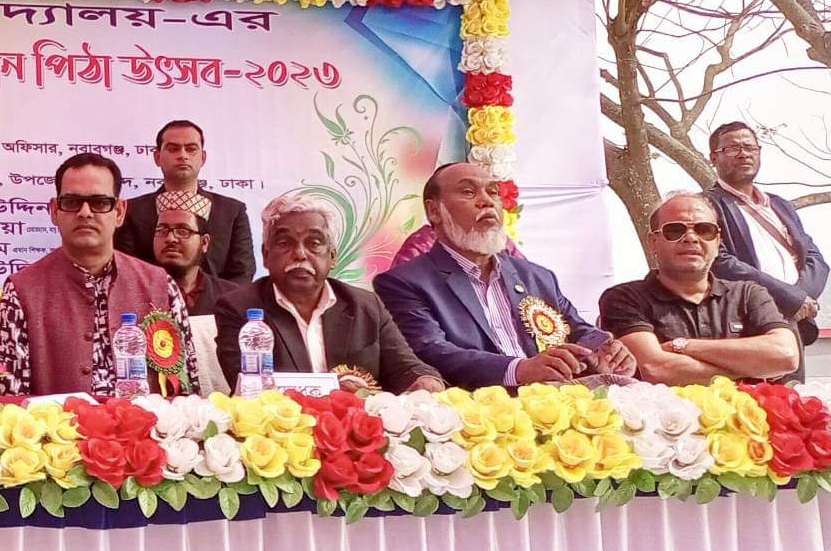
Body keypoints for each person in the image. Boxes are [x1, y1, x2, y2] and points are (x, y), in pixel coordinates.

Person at [375, 161, 634, 388]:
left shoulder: (537, 276)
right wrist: (519, 370)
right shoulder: (403, 282)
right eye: (468, 192)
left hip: (558, 404)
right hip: (477, 413)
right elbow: (430, 351)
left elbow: (575, 329)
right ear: (434, 211)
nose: (486, 201)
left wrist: (604, 349)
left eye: (493, 192)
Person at [0, 153, 196, 396]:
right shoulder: (20, 292)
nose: (85, 212)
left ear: (119, 212)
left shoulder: (161, 286)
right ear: (54, 211)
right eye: (72, 202)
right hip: (57, 422)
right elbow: (10, 400)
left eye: (99, 203)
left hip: (148, 420)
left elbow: (187, 393)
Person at [215, 191, 442, 394]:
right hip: (280, 426)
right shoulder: (239, 308)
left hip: (357, 424)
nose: (300, 254)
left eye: (314, 243)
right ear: (265, 256)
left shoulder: (365, 305)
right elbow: (249, 388)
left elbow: (405, 367)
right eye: (285, 243)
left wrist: (424, 380)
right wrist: (334, 391)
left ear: (332, 256)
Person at [598, 191, 800, 384]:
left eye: (704, 230)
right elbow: (655, 368)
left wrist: (683, 346)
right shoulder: (624, 299)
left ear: (718, 242)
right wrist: (752, 369)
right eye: (675, 230)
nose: (691, 238)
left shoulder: (749, 294)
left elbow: (786, 355)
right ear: (653, 242)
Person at [704, 122, 825, 349]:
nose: (743, 154)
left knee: (792, 374)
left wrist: (799, 299)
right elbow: (719, 261)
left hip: (794, 320)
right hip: (746, 323)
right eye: (733, 148)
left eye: (750, 147)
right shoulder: (706, 204)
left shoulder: (780, 205)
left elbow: (815, 259)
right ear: (714, 158)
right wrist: (788, 297)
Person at [114, 120, 254, 280]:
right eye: (173, 149)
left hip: (220, 296)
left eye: (191, 149)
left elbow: (242, 274)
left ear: (203, 157)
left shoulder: (232, 211)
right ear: (157, 157)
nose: (182, 155)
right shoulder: (131, 211)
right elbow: (127, 272)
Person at [149, 197, 238, 316]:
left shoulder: (231, 296)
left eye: (183, 231)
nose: (170, 238)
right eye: (162, 230)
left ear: (204, 243)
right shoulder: (136, 293)